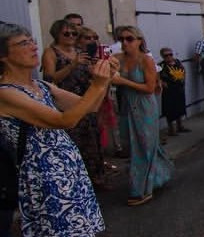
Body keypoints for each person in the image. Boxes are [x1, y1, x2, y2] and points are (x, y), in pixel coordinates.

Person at [0, 22, 138, 237]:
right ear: (4, 56)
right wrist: (99, 84)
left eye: (32, 40)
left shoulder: (41, 87)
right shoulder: (6, 93)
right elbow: (67, 119)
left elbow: (82, 106)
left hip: (64, 170)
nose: (33, 46)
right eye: (23, 43)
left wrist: (102, 82)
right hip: (45, 176)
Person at [112, 26, 173, 206]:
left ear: (139, 41)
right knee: (131, 145)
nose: (125, 42)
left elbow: (149, 88)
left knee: (145, 146)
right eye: (121, 39)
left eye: (129, 39)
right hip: (127, 105)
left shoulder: (146, 60)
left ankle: (141, 189)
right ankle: (159, 174)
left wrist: (122, 81)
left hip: (145, 106)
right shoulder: (117, 59)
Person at [42, 21, 107, 190]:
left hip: (87, 99)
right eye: (66, 34)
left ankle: (96, 180)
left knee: (92, 141)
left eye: (74, 34)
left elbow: (89, 73)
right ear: (56, 34)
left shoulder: (80, 52)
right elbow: (49, 80)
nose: (71, 37)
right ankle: (76, 183)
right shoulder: (51, 52)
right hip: (66, 102)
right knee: (74, 143)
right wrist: (73, 65)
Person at [158, 48, 190, 137]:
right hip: (169, 91)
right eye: (166, 55)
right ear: (162, 56)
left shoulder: (178, 62)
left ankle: (180, 126)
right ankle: (171, 129)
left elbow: (183, 72)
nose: (169, 57)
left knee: (180, 108)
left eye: (170, 54)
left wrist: (183, 81)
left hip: (178, 89)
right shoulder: (161, 66)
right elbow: (156, 76)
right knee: (170, 110)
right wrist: (161, 82)